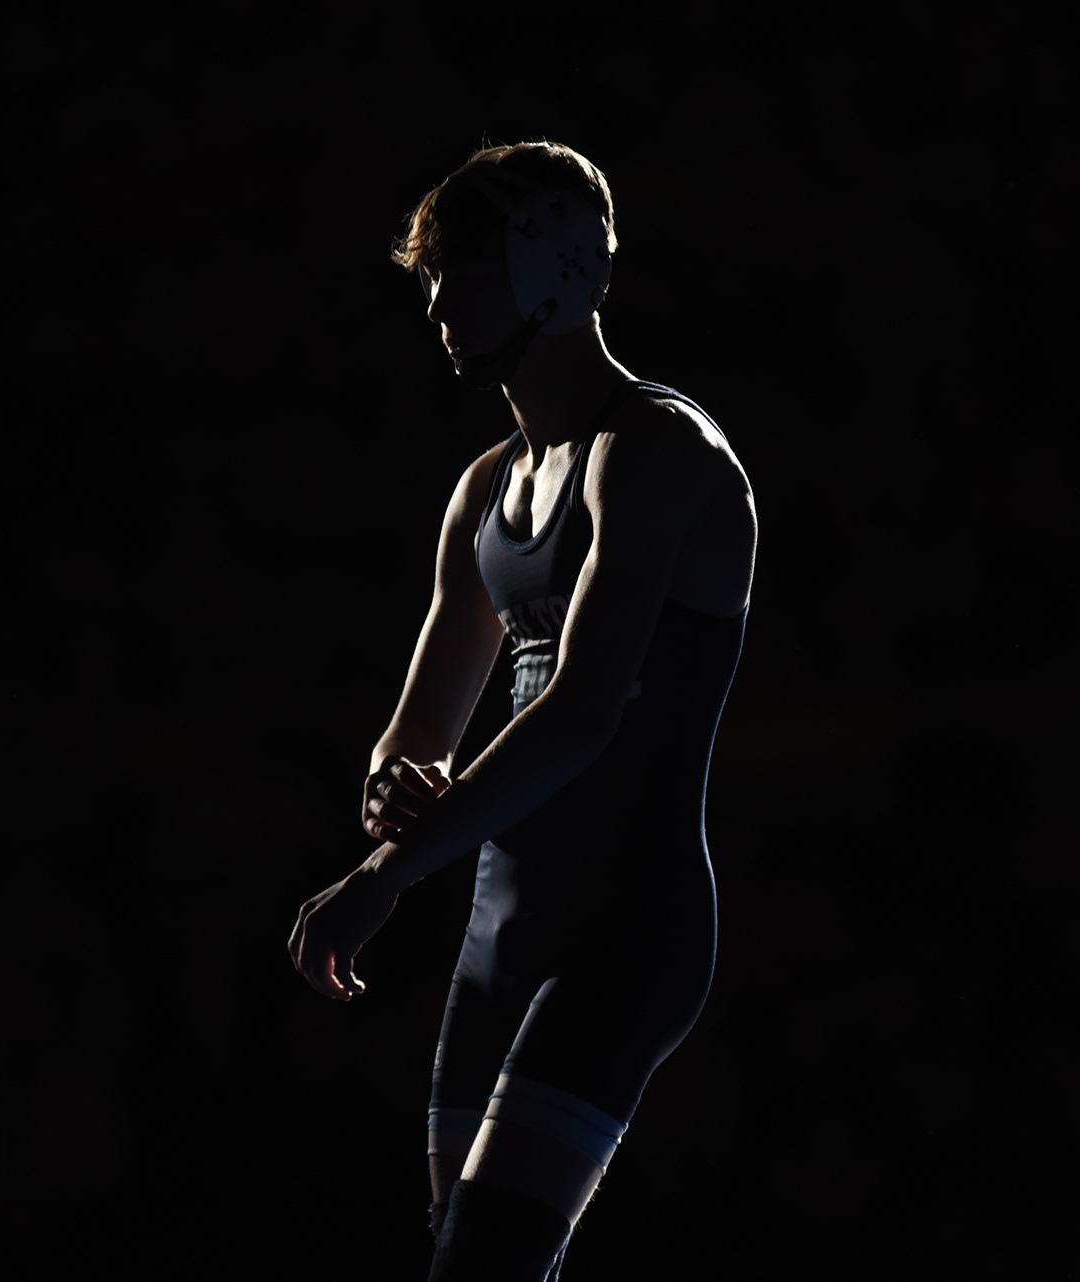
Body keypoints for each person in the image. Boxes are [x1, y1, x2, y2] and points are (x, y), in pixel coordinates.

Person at [288, 141, 755, 1281]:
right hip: (502, 930)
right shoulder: (483, 489)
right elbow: (415, 731)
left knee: (488, 1262)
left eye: (461, 273)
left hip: (627, 926)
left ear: (552, 264)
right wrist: (389, 788)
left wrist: (386, 875)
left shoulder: (654, 450)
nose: (438, 306)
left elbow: (586, 711)